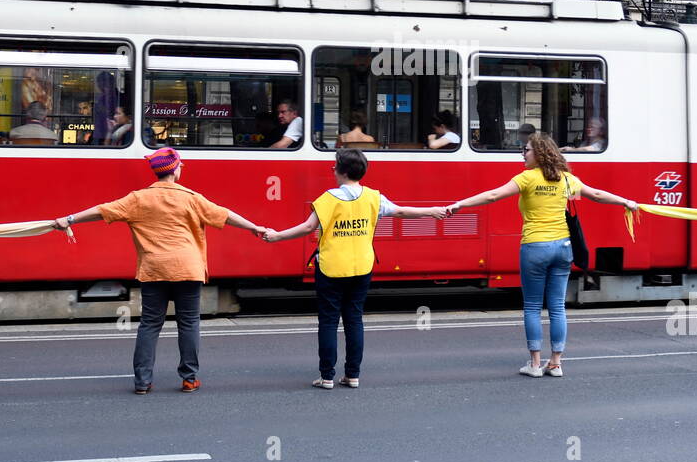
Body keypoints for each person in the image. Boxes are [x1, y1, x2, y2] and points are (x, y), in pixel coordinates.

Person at [52, 147, 266, 394]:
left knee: (150, 325)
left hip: (153, 269)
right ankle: (189, 378)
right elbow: (225, 215)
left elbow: (103, 210)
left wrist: (68, 219)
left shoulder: (138, 198)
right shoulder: (191, 198)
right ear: (175, 170)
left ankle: (142, 382)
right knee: (189, 324)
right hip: (188, 268)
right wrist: (254, 227)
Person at [445, 133, 638, 378]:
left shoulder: (527, 178)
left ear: (538, 153)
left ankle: (535, 364)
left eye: (526, 150)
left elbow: (493, 196)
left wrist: (459, 204)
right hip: (563, 248)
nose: (523, 155)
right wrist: (626, 202)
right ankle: (555, 363)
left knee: (533, 306)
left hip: (535, 247)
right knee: (557, 307)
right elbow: (596, 195)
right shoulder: (567, 180)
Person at [263, 148, 448, 388]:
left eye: (335, 165)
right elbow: (401, 211)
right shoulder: (373, 197)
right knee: (354, 320)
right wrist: (431, 212)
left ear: (341, 171)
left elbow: (308, 228)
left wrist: (277, 236)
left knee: (329, 321)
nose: (332, 168)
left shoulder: (327, 199)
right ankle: (352, 375)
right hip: (362, 266)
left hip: (331, 268)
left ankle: (327, 376)